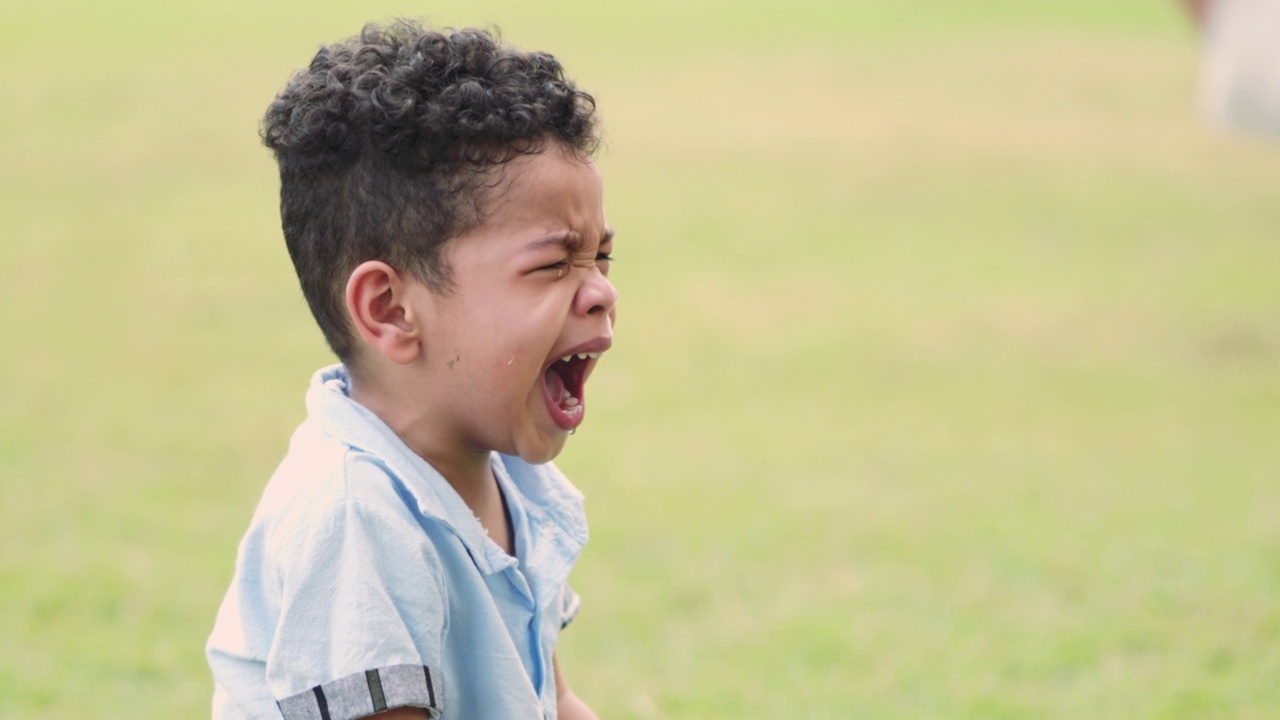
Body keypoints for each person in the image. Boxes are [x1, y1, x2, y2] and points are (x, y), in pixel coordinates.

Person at [205, 19, 615, 720]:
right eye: (553, 264)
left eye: (601, 258)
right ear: (392, 309)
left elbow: (554, 699)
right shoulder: (356, 519)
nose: (601, 290)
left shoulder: (510, 473)